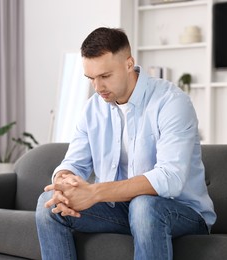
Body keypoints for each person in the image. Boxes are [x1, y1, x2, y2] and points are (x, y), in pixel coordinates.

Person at [36, 27, 216, 260]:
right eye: (91, 78)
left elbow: (170, 178)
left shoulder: (171, 102)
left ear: (129, 64)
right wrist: (64, 183)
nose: (98, 87)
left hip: (181, 212)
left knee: (144, 206)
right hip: (122, 209)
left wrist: (94, 193)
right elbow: (74, 162)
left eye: (105, 76)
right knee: (48, 204)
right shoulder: (93, 108)